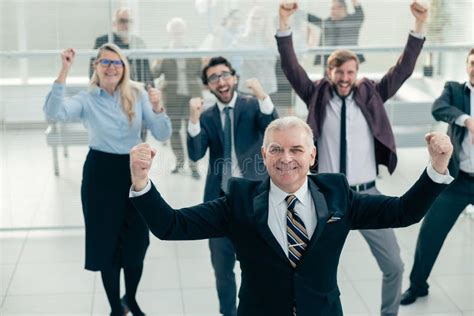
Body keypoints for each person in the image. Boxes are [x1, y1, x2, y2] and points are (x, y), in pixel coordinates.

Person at [129, 116, 453, 316]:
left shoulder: (337, 193)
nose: (286, 159)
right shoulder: (239, 200)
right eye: (276, 150)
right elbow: (170, 225)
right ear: (264, 155)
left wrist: (437, 168)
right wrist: (142, 182)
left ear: (312, 155)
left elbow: (404, 211)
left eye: (296, 150)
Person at [276, 2, 428, 315]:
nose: (345, 78)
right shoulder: (316, 93)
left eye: (350, 72)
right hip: (327, 198)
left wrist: (419, 25)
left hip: (366, 195)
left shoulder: (371, 93)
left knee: (394, 265)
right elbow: (291, 68)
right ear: (328, 72)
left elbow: (404, 68)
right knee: (303, 265)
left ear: (357, 73)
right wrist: (284, 21)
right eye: (339, 72)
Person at [44, 44, 172, 316]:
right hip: (100, 174)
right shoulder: (87, 98)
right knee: (106, 244)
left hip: (134, 172)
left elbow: (162, 134)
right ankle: (116, 307)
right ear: (96, 67)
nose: (112, 67)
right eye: (105, 62)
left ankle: (131, 299)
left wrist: (159, 108)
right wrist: (64, 70)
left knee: (138, 242)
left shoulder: (137, 94)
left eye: (117, 63)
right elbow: (54, 113)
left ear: (124, 67)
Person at [186, 56, 278, 316]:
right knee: (223, 271)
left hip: (255, 202)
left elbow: (272, 123)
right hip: (220, 204)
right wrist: (193, 119)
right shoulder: (206, 116)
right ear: (208, 86)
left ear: (234, 78)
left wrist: (262, 94)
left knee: (259, 267)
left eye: (225, 74)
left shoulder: (252, 106)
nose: (221, 81)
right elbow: (195, 154)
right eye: (214, 78)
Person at [400, 48, 474, 305]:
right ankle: (417, 285)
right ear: (466, 66)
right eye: (472, 63)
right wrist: (467, 120)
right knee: (430, 232)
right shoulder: (454, 90)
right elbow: (438, 108)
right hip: (457, 180)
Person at [90, 7, 155, 142]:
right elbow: (93, 72)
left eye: (129, 21)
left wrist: (150, 94)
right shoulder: (103, 42)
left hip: (136, 97)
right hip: (112, 99)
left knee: (139, 141)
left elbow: (147, 72)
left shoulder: (138, 43)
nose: (125, 24)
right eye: (122, 21)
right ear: (114, 24)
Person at [152, 17, 202, 178]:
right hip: (172, 96)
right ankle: (179, 160)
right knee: (173, 130)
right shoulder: (164, 51)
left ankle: (194, 164)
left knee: (193, 130)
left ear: (185, 31)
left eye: (180, 29)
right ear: (170, 32)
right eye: (174, 30)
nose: (177, 33)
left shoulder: (193, 50)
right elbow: (154, 74)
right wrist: (158, 61)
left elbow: (201, 73)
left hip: (191, 96)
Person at [308, 0, 365, 67]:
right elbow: (311, 18)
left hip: (349, 63)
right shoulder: (328, 22)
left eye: (333, 8)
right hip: (330, 64)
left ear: (342, 8)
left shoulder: (353, 20)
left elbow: (358, 9)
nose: (331, 11)